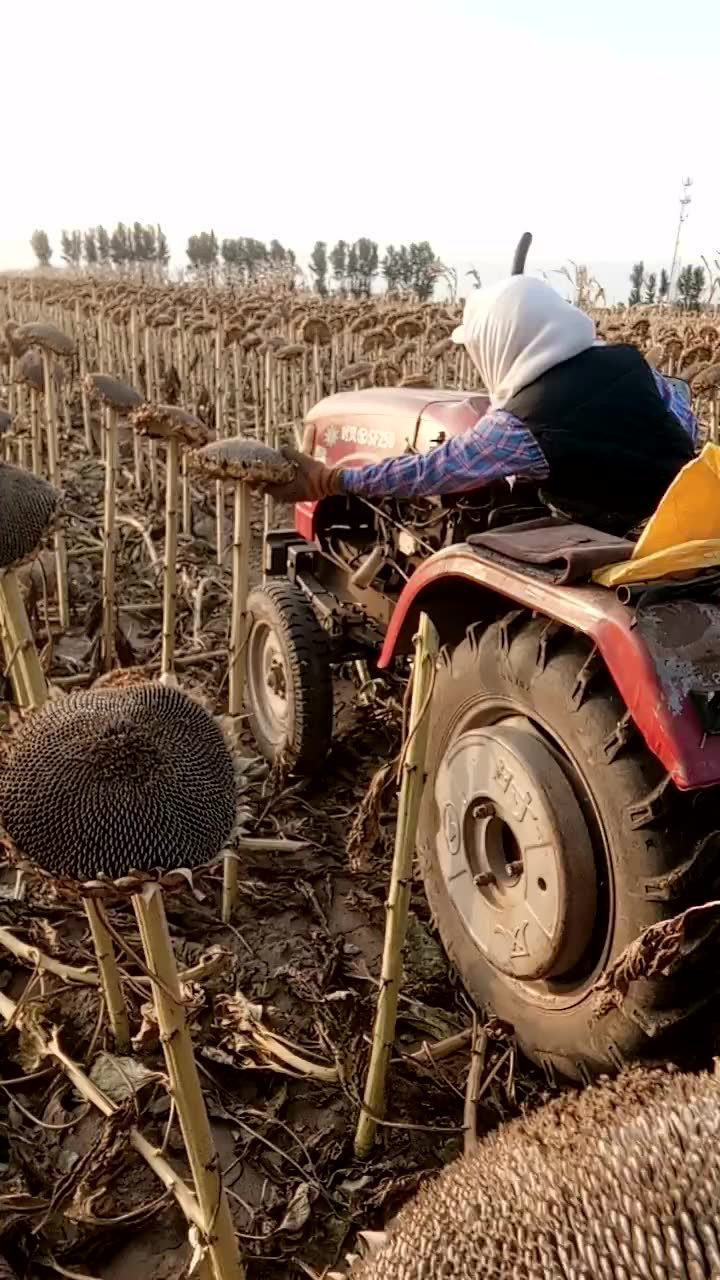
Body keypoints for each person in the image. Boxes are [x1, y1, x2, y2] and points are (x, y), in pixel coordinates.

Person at [262, 276, 698, 532]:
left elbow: (435, 471)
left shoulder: (522, 423)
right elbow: (680, 408)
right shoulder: (630, 363)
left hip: (605, 528)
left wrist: (332, 481)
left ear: (500, 341)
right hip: (679, 516)